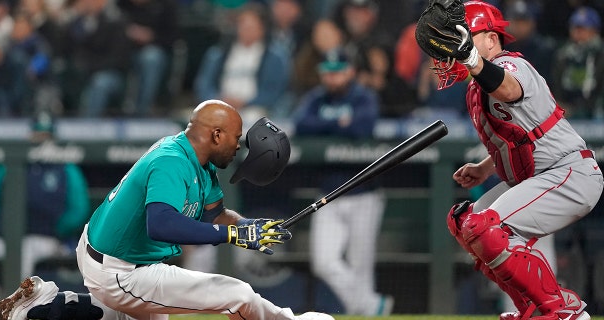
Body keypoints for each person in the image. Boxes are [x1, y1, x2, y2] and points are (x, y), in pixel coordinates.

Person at [0, 100, 336, 320]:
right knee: (236, 294)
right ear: (216, 135)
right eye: (235, 137)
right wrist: (233, 234)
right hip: (121, 268)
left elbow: (214, 215)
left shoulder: (200, 164)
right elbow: (162, 224)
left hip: (115, 255)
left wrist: (250, 228)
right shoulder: (172, 160)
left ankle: (43, 307)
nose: (239, 145)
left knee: (126, 317)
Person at [417, 1, 603, 319]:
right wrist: (485, 167)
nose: (453, 47)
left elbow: (508, 88)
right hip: (540, 177)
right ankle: (531, 308)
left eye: (465, 36)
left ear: (491, 39)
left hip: (568, 172)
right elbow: (518, 137)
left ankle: (562, 310)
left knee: (489, 227)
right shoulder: (475, 89)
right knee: (465, 222)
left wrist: (474, 60)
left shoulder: (510, 64)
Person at [292, 48, 393, 316]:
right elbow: (301, 125)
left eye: (337, 72)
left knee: (361, 265)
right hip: (328, 192)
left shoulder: (363, 96)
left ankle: (362, 310)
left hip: (364, 194)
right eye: (328, 72)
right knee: (323, 261)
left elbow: (362, 128)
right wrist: (339, 122)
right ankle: (372, 306)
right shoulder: (315, 98)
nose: (332, 77)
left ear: (350, 71)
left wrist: (327, 124)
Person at [0, 113, 91, 311]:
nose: (41, 140)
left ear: (53, 139)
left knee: (24, 251)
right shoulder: (11, 164)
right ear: (30, 136)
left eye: (45, 136)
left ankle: (14, 310)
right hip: (5, 236)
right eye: (37, 135)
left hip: (44, 239)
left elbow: (79, 209)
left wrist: (56, 228)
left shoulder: (66, 167)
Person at [194, 2, 291, 121]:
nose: (247, 30)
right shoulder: (218, 54)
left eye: (252, 27)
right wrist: (217, 100)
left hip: (257, 110)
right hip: (220, 107)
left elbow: (274, 91)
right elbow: (204, 84)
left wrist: (245, 103)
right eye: (243, 26)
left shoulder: (274, 57)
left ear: (262, 28)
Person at [551, 6, 604, 120]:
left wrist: (584, 108)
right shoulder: (563, 55)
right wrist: (561, 105)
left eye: (583, 28)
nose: (577, 32)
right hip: (567, 109)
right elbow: (556, 85)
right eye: (575, 28)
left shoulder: (601, 54)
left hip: (595, 110)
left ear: (594, 30)